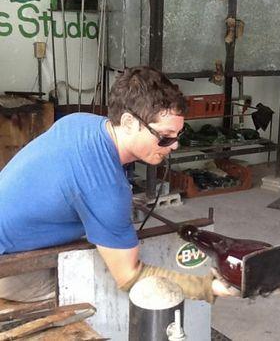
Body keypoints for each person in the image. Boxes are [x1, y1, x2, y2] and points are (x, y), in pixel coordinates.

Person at [0, 66, 238, 303]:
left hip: (13, 234)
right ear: (128, 122)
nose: (174, 145)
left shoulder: (80, 122)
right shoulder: (106, 190)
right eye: (165, 137)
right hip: (9, 268)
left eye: (178, 135)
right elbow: (129, 277)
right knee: (102, 284)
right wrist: (209, 287)